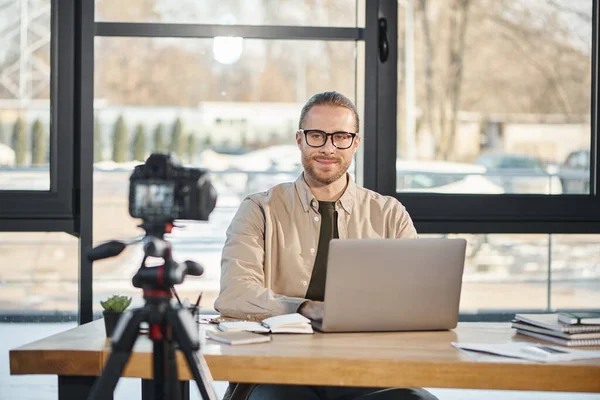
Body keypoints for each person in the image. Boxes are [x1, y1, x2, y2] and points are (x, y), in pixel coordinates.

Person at [215, 91, 437, 400]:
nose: (328, 148)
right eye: (317, 136)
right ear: (300, 140)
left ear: (355, 143)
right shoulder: (259, 209)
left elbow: (418, 302)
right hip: (275, 371)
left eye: (341, 137)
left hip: (367, 372)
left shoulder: (389, 215)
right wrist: (303, 308)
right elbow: (234, 293)